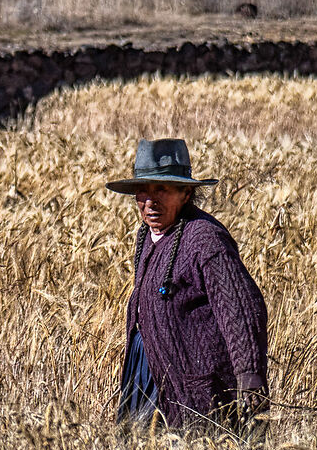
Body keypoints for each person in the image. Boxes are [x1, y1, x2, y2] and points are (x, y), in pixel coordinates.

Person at [107, 138, 270, 433]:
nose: (150, 201)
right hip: (147, 369)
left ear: (185, 193)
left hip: (196, 379)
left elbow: (241, 310)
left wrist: (250, 377)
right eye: (142, 191)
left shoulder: (205, 240)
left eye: (162, 189)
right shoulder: (147, 235)